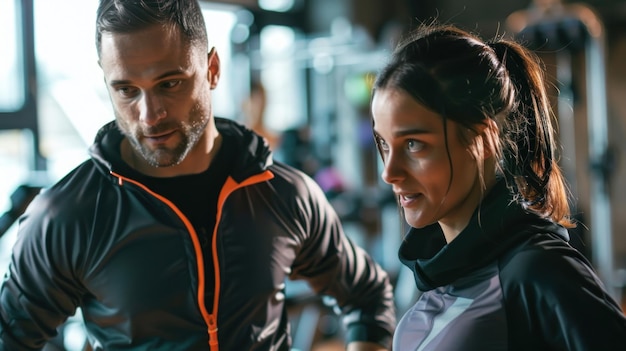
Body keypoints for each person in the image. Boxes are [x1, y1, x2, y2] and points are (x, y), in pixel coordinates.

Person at [0, 1, 396, 350]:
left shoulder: (285, 194)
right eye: (125, 90)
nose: (149, 114)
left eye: (169, 83)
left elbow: (367, 296)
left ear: (212, 69)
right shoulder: (69, 215)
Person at [370, 23, 626, 350]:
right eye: (385, 144)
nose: (389, 173)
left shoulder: (536, 269)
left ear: (483, 138)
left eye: (414, 145)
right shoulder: (444, 273)